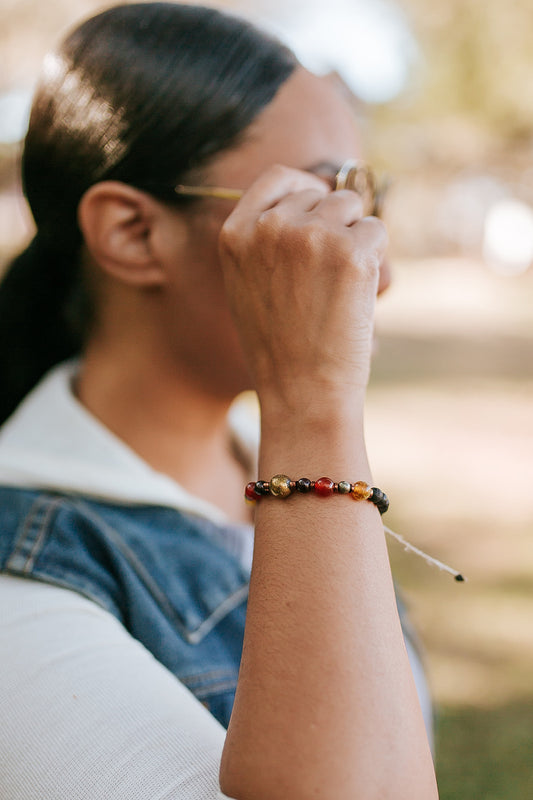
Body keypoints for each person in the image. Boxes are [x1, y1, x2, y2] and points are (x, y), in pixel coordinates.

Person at [0, 4, 438, 799]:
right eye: (324, 202)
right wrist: (312, 407)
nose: (371, 271)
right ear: (133, 234)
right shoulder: (20, 590)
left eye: (367, 201)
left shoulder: (255, 456)